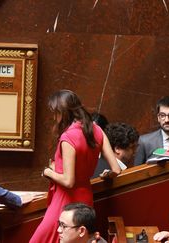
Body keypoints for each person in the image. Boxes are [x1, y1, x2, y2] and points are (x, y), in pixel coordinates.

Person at [30, 89, 121, 242]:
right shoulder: (96, 129)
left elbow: (68, 181)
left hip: (65, 200)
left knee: (39, 240)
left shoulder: (68, 137)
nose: (54, 117)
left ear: (64, 112)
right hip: (85, 198)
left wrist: (48, 172)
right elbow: (116, 169)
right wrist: (107, 175)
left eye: (55, 112)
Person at [134, 96, 169, 165]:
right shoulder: (145, 142)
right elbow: (136, 172)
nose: (166, 120)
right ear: (158, 118)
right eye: (162, 115)